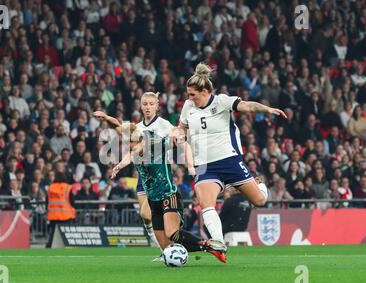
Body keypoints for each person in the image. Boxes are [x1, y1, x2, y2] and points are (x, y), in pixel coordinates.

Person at [173, 63, 286, 258]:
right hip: (205, 165)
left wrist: (266, 109)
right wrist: (178, 134)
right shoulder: (188, 106)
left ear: (205, 91)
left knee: (259, 200)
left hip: (229, 160)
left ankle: (257, 184)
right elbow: (181, 127)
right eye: (188, 94)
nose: (189, 98)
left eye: (193, 94)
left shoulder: (222, 101)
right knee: (205, 203)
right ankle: (218, 242)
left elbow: (247, 105)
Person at [109, 121, 226, 263]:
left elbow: (175, 141)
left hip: (168, 196)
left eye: (129, 143)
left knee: (173, 233)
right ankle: (209, 248)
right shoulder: (134, 152)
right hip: (153, 201)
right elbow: (122, 137)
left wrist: (178, 137)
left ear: (137, 140)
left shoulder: (156, 146)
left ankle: (209, 243)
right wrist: (119, 166)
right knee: (167, 248)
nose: (128, 147)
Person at [45, 172, 77, 248]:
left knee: (53, 233)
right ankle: (67, 246)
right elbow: (72, 201)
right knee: (66, 233)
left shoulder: (51, 187)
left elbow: (47, 201)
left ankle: (49, 246)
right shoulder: (67, 187)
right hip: (65, 215)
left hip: (53, 216)